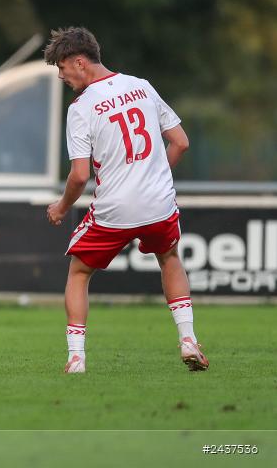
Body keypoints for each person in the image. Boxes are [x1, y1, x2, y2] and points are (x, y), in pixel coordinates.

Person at [44, 26, 207, 374]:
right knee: (170, 258)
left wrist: (60, 207)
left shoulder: (82, 107)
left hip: (115, 209)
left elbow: (79, 176)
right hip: (158, 202)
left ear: (79, 61)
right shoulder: (142, 86)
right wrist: (155, 176)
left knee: (79, 273)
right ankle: (188, 339)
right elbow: (180, 142)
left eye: (61, 67)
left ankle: (76, 357)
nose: (61, 76)